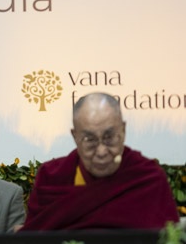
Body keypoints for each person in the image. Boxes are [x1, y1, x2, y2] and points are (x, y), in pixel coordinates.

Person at [21, 92, 179, 231]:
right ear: (75, 136)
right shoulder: (52, 178)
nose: (102, 152)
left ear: (123, 131)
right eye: (90, 140)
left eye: (109, 137)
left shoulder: (148, 178)